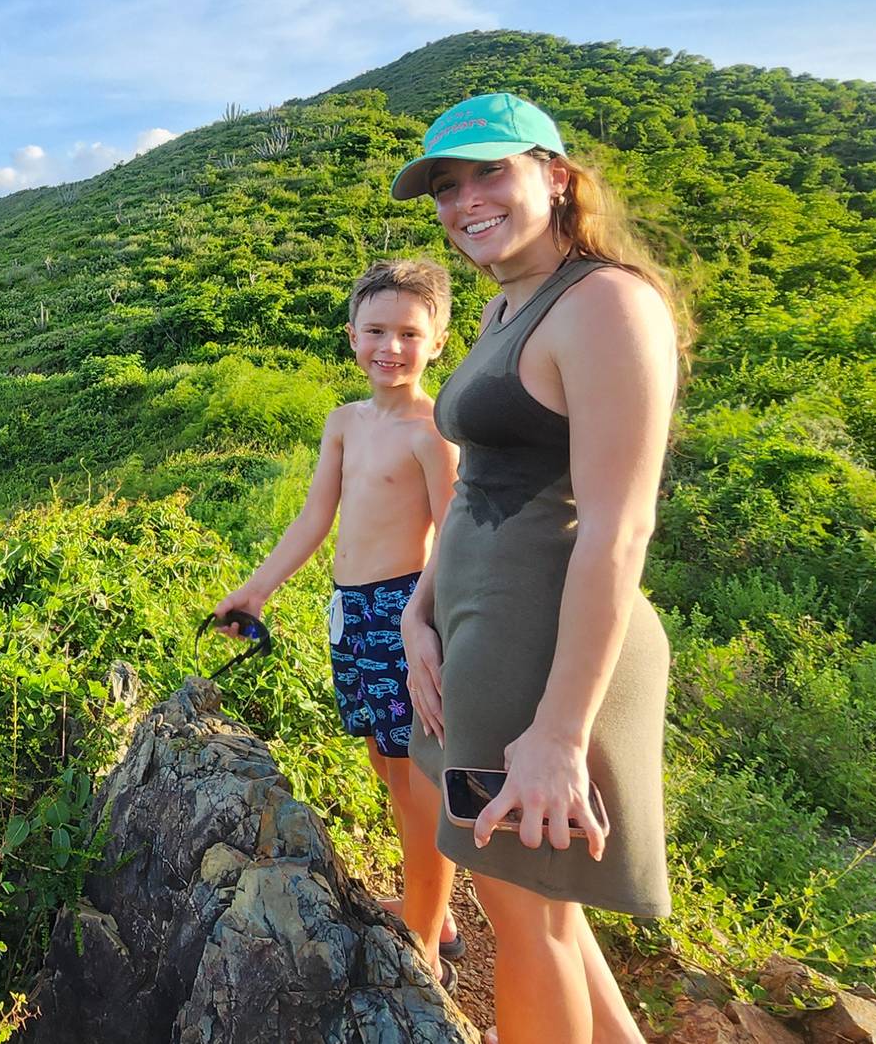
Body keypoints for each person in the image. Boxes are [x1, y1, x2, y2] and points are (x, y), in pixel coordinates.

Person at [390, 93, 685, 1044]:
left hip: (542, 658)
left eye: (489, 173)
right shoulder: (507, 302)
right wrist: (420, 613)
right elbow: (477, 482)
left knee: (529, 926)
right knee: (538, 908)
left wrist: (559, 734)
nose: (464, 199)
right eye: (446, 184)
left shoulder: (605, 303)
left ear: (555, 176)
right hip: (480, 639)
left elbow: (618, 528)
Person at [210, 257, 465, 978]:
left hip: (404, 613)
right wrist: (255, 591)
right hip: (351, 612)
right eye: (376, 330)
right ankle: (433, 909)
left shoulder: (434, 431)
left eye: (409, 334)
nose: (390, 347)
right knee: (385, 767)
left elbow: (455, 536)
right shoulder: (345, 422)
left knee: (418, 783)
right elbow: (316, 517)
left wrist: (426, 625)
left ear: (437, 342)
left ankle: (423, 939)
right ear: (352, 335)